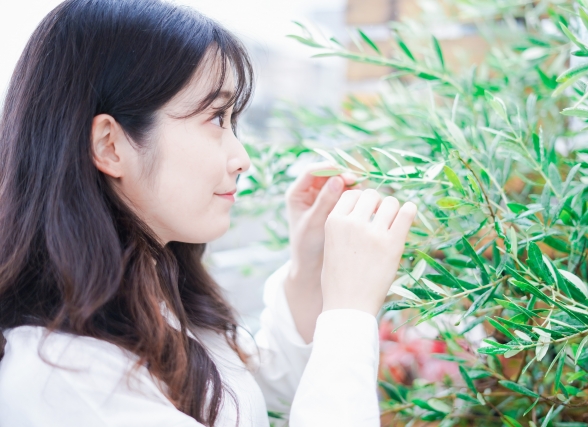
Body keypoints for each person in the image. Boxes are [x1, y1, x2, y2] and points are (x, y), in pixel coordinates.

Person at [0, 1, 417, 426]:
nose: (242, 158)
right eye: (216, 117)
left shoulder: (152, 290)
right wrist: (349, 311)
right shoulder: (64, 376)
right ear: (110, 145)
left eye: (233, 120)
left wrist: (309, 266)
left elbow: (258, 400)